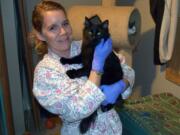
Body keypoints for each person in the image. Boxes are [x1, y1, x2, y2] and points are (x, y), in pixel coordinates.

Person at [32, 1, 135, 135]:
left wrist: (122, 85)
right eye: (53, 28)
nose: (63, 32)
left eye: (65, 24)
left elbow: (128, 71)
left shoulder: (89, 44)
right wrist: (97, 67)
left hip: (114, 129)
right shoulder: (45, 72)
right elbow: (78, 109)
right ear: (40, 35)